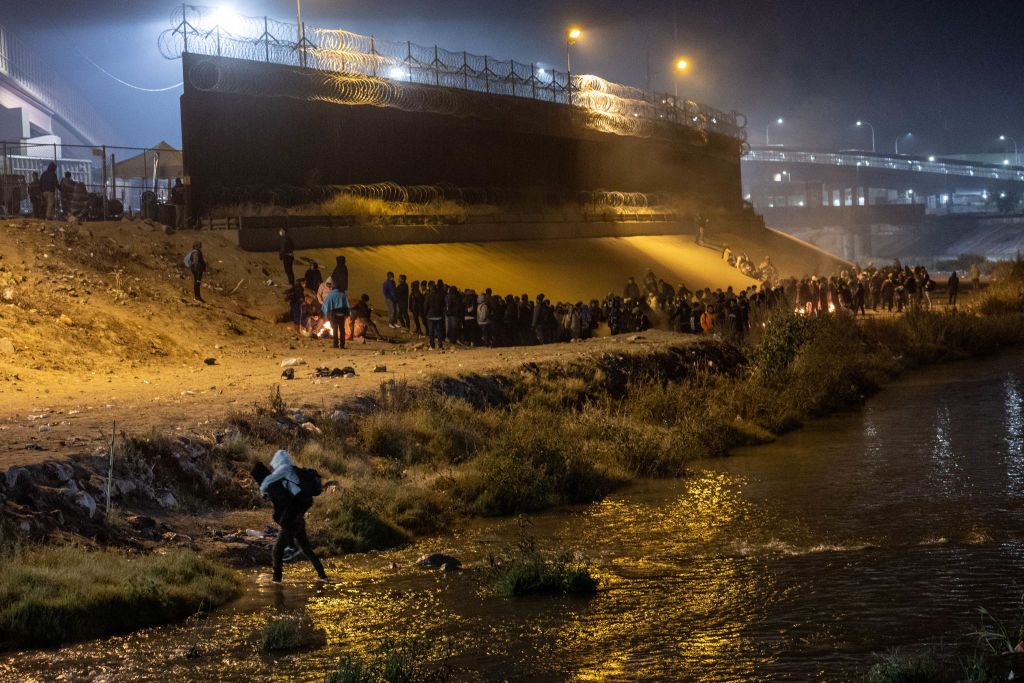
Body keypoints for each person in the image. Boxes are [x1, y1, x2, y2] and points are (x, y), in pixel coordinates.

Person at [258, 450, 328, 583]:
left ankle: (276, 581)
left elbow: (268, 480)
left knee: (277, 551)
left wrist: (263, 490)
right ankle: (323, 576)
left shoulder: (284, 469)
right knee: (307, 550)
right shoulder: (294, 471)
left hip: (293, 518)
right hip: (299, 518)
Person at [322, 283, 350, 349]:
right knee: (342, 329)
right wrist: (347, 314)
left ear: (333, 288)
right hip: (341, 314)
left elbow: (325, 306)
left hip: (333, 314)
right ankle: (342, 345)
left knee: (335, 329)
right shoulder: (343, 295)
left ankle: (335, 344)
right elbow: (347, 306)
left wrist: (326, 314)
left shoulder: (330, 295)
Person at [425, 280, 445, 349]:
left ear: (430, 288)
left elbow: (426, 306)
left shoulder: (428, 296)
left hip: (430, 316)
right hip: (438, 316)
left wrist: (426, 314)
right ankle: (440, 344)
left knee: (431, 331)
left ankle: (432, 345)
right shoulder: (440, 295)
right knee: (439, 331)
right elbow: (443, 305)